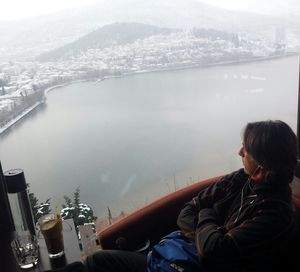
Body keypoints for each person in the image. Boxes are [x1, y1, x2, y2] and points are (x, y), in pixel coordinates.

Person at [47, 120, 299, 272]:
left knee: (100, 263)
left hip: (190, 266)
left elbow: (213, 249)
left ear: (262, 166)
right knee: (96, 262)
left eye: (247, 151)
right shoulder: (239, 180)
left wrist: (206, 216)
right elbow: (188, 210)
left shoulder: (276, 213)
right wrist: (206, 232)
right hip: (177, 258)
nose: (239, 151)